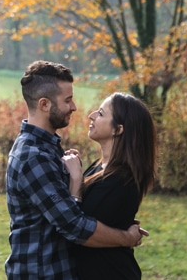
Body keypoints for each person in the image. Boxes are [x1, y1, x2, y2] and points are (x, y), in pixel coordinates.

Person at [5, 61, 147, 279]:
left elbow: (74, 212)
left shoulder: (48, 147)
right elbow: (73, 225)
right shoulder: (33, 156)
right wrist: (127, 237)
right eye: (68, 100)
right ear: (44, 104)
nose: (75, 107)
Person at [66, 92, 158, 280]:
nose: (91, 115)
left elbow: (80, 231)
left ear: (118, 129)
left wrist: (76, 182)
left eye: (100, 113)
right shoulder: (101, 167)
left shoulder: (121, 179)